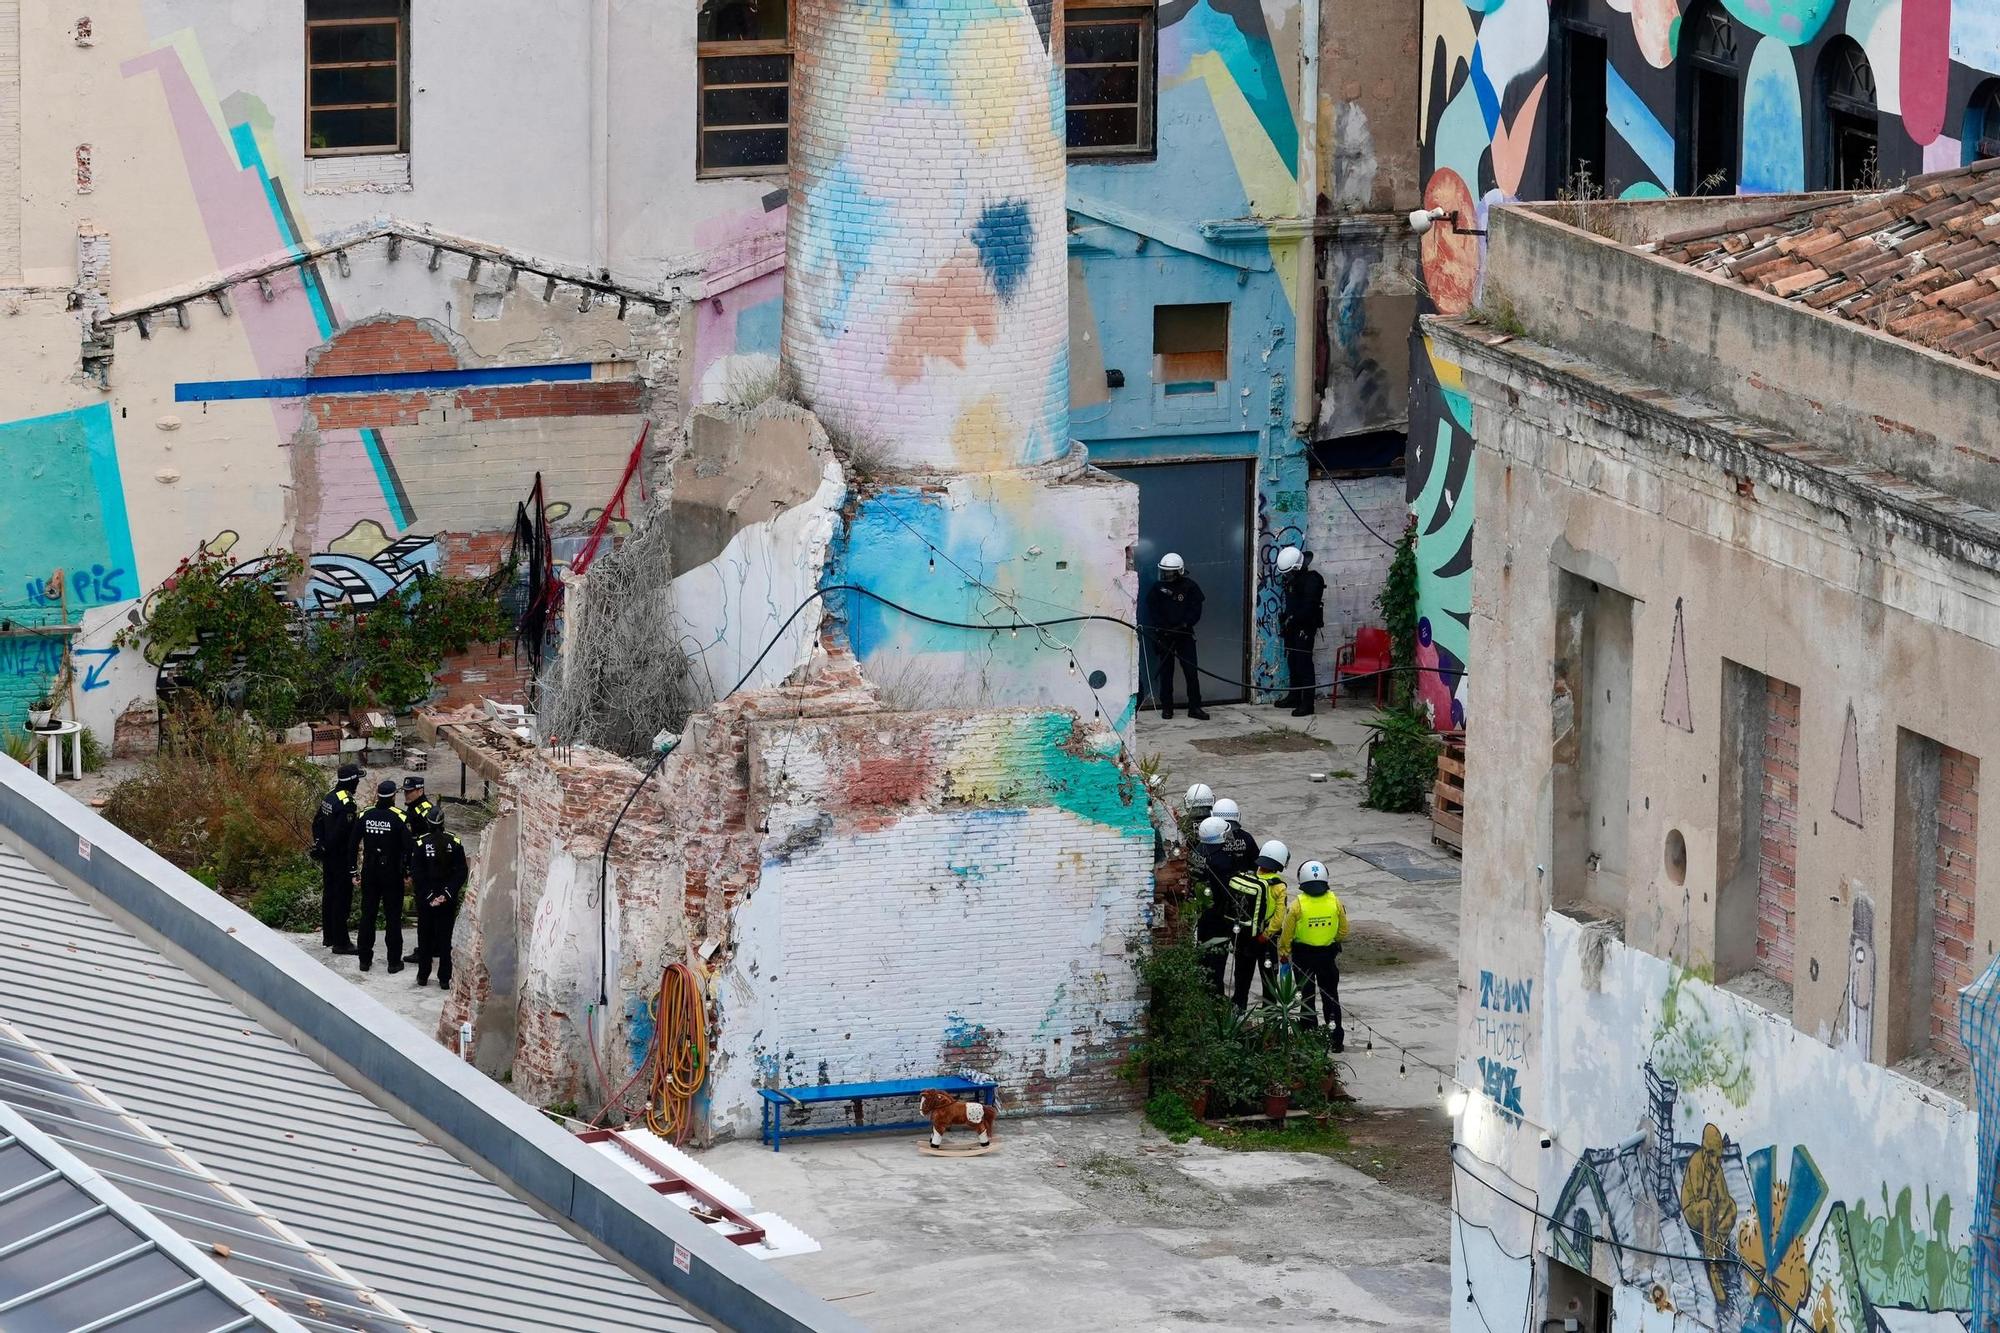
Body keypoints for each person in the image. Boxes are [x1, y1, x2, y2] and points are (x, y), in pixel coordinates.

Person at [1278, 859, 1348, 1051]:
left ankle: (1309, 1038)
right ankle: (1335, 1040)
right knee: (1331, 998)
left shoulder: (1296, 905)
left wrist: (1284, 952)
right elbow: (1343, 930)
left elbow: (1287, 933)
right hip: (1327, 956)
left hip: (1303, 957)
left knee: (1306, 998)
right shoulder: (1335, 901)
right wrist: (1331, 940)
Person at [1226, 839, 1291, 1010]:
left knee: (1241, 975)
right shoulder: (1279, 887)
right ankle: (1269, 1014)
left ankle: (1239, 1008)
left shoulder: (1249, 878)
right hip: (1264, 940)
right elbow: (1278, 919)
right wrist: (1265, 936)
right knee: (1269, 978)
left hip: (1244, 935)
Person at [356, 779, 412, 973]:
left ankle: (364, 960)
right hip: (391, 873)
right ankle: (393, 962)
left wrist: (353, 870)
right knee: (393, 918)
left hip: (370, 871)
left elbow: (352, 843)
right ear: (393, 796)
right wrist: (407, 871)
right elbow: (409, 848)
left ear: (378, 795)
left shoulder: (365, 815)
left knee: (368, 915)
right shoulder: (399, 818)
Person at [410, 805, 468, 988]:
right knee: (445, 938)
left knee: (424, 937)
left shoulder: (420, 843)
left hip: (426, 899)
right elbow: (461, 872)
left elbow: (417, 874)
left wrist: (429, 896)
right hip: (447, 899)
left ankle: (423, 975)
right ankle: (444, 977)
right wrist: (447, 894)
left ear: (427, 823)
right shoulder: (455, 842)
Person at [1145, 552, 1208, 720]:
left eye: (1170, 572)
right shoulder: (1157, 588)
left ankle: (1195, 707)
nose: (1167, 575)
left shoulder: (1190, 587)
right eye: (1164, 572)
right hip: (1165, 636)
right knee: (1166, 673)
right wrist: (1163, 628)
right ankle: (1167, 708)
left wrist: (1185, 624)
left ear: (1179, 571)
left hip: (1184, 635)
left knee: (1191, 672)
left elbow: (1196, 609)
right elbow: (1153, 610)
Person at [309, 763, 363, 955]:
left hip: (328, 857)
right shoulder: (347, 803)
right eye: (357, 779)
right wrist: (351, 865)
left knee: (329, 896)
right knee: (342, 899)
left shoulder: (330, 797)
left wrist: (319, 844)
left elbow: (316, 823)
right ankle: (341, 942)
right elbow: (343, 835)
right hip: (339, 858)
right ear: (353, 781)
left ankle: (329, 936)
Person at [1275, 546, 1326, 716]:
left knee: (1304, 664)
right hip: (1292, 627)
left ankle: (1307, 703)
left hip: (1305, 627)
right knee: (1293, 662)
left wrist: (1294, 617)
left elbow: (1309, 607)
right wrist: (1286, 618)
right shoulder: (1294, 580)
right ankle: (1294, 696)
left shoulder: (1313, 580)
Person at [1191, 816, 1235, 995]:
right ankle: (1215, 996)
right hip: (1219, 915)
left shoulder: (1198, 851)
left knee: (1203, 951)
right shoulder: (1222, 860)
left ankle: (1201, 990)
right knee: (1217, 957)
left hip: (1202, 912)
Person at [400, 777, 438, 965]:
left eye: (410, 791)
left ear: (420, 791)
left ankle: (425, 949)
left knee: (425, 911)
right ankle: (434, 946)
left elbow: (415, 844)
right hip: (430, 867)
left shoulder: (420, 812)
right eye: (405, 791)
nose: (407, 794)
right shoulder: (417, 808)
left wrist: (409, 868)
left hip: (424, 868)